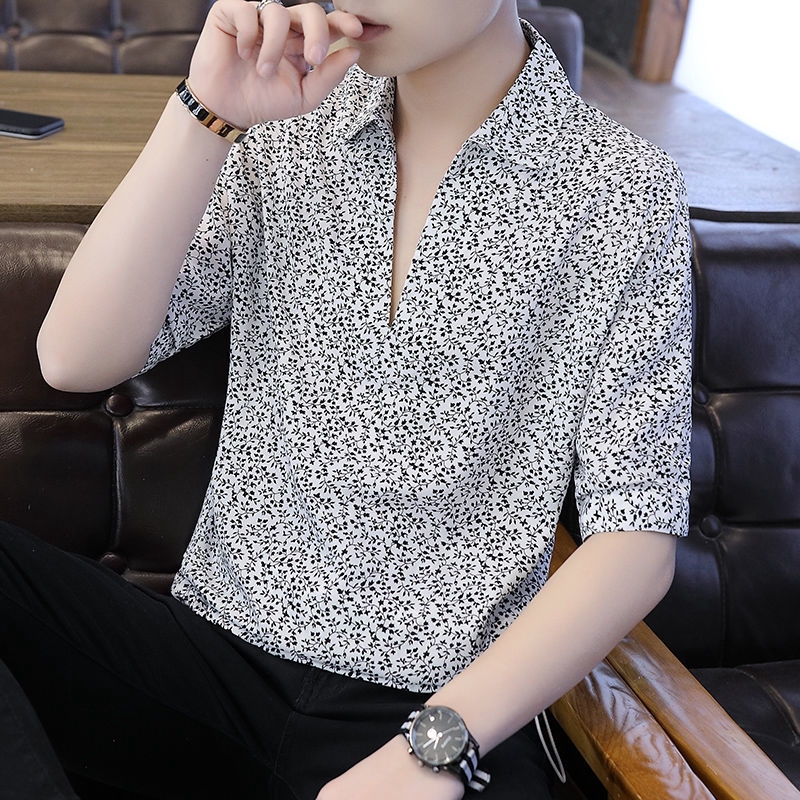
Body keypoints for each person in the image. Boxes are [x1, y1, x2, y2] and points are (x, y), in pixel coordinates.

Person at [1, 0, 691, 797]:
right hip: (210, 665)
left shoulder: (622, 191)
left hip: (433, 710)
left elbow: (636, 537)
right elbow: (75, 358)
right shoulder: (288, 133)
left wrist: (436, 748)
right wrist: (205, 112)